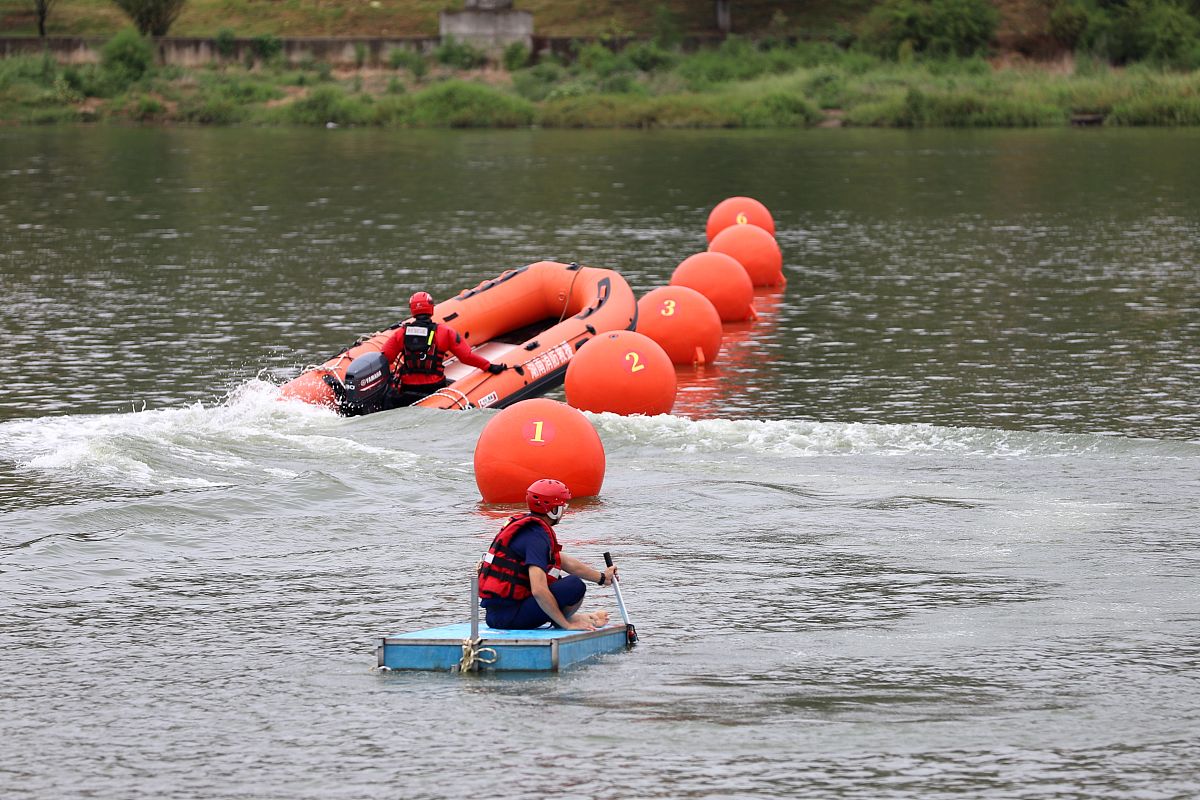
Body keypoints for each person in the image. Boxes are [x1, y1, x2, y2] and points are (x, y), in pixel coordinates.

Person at [478, 478, 617, 631]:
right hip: (510, 618)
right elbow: (538, 589)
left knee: (566, 580)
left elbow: (563, 561)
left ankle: (574, 618)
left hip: (496, 615)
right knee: (574, 586)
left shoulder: (527, 527)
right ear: (553, 510)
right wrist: (566, 625)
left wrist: (602, 578)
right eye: (563, 506)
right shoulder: (536, 537)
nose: (565, 510)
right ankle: (565, 620)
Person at [380, 291, 507, 407]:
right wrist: (489, 366)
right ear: (431, 308)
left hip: (408, 388)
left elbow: (386, 357)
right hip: (434, 387)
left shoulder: (401, 333)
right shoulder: (445, 332)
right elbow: (466, 357)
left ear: (412, 310)